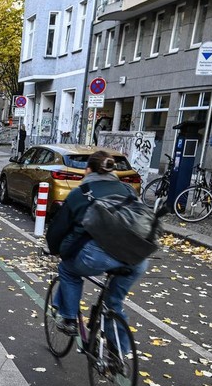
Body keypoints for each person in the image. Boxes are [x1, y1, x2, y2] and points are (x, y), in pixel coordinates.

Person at [45, 149, 148, 348]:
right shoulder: (127, 190)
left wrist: (54, 248)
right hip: (136, 257)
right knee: (114, 303)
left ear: (88, 169)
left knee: (67, 270)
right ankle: (118, 353)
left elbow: (58, 228)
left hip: (96, 256)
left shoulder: (80, 193)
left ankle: (68, 319)